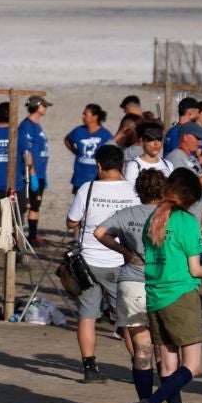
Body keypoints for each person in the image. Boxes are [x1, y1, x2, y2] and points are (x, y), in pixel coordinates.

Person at [126, 170, 202, 403]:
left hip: (155, 296)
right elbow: (195, 270)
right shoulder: (187, 222)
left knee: (168, 366)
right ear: (192, 199)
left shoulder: (153, 218)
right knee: (191, 366)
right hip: (181, 297)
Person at [95, 170, 168, 403]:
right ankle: (165, 402)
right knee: (165, 349)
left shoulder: (127, 214)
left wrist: (124, 251)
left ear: (138, 191)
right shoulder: (171, 215)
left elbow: (99, 232)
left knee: (141, 349)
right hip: (163, 283)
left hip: (132, 282)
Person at [67, 144, 141, 383]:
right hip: (121, 260)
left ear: (98, 166)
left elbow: (71, 222)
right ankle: (139, 364)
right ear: (123, 166)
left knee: (87, 315)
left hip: (88, 261)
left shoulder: (87, 188)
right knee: (129, 319)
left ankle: (90, 367)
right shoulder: (133, 191)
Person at [16, 96, 51, 244]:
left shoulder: (37, 125)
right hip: (31, 173)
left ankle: (32, 235)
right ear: (37, 106)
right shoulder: (27, 126)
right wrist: (32, 173)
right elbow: (26, 151)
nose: (46, 108)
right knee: (28, 204)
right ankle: (24, 236)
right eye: (44, 106)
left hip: (40, 172)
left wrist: (43, 174)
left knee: (36, 205)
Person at [64, 104, 109, 193]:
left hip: (97, 179)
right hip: (79, 178)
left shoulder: (105, 135)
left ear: (95, 117)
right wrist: (75, 151)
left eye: (85, 114)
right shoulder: (78, 131)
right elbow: (67, 140)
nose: (83, 117)